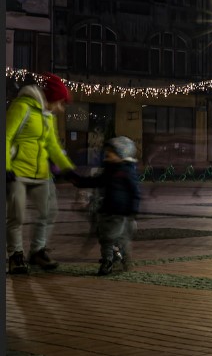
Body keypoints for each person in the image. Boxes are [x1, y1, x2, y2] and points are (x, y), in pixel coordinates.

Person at [6, 72, 78, 274]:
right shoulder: (22, 107)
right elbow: (6, 136)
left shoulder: (47, 116)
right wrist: (6, 167)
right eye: (60, 103)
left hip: (41, 173)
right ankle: (16, 256)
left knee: (49, 212)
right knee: (16, 216)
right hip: (18, 172)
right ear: (52, 98)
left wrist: (68, 170)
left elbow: (53, 146)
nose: (61, 108)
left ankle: (37, 251)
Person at [72, 136, 141, 275]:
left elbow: (135, 192)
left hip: (121, 212)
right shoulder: (109, 170)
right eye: (108, 151)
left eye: (111, 152)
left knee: (116, 238)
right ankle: (108, 260)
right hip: (106, 209)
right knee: (105, 238)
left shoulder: (127, 171)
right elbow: (96, 181)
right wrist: (78, 180)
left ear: (122, 154)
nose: (107, 154)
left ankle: (120, 258)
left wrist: (133, 209)